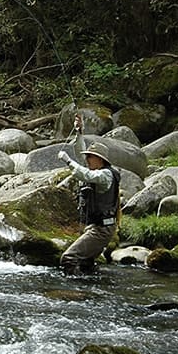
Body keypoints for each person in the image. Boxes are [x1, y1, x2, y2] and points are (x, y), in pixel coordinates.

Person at [56, 114, 121, 275]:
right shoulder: (97, 169)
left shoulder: (105, 175)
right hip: (97, 227)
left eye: (90, 157)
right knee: (86, 263)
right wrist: (79, 133)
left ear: (100, 159)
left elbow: (85, 174)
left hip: (101, 230)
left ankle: (74, 294)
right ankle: (91, 292)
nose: (87, 159)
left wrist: (67, 161)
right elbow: (81, 155)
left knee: (68, 258)